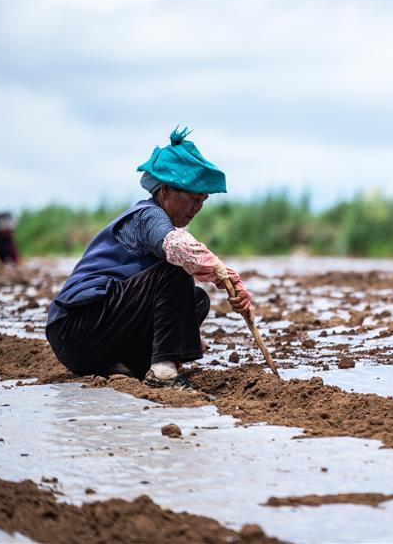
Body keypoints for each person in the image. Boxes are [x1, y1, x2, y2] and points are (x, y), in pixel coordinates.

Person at [45, 127, 254, 388]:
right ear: (165, 191)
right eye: (192, 198)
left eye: (202, 200)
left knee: (196, 299)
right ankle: (163, 372)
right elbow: (179, 250)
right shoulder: (149, 215)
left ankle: (130, 365)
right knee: (175, 269)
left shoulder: (162, 221)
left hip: (93, 343)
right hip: (76, 326)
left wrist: (183, 331)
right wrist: (225, 276)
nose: (197, 208)